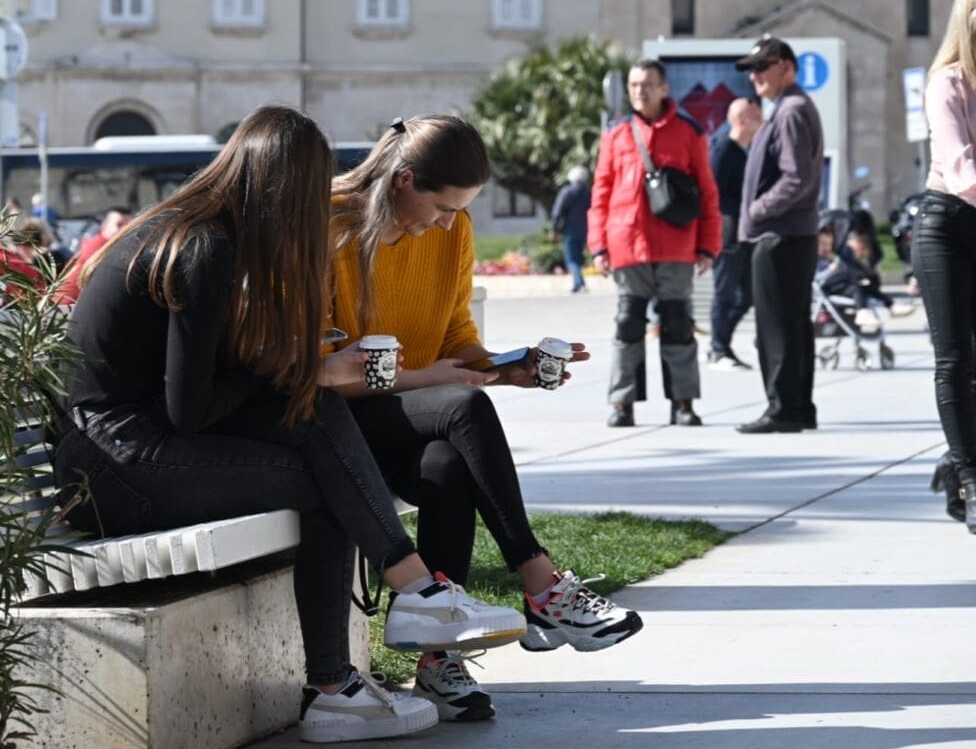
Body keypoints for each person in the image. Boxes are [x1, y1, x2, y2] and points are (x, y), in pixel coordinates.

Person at [52, 106, 528, 743]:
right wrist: (306, 369)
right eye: (308, 195)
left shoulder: (209, 234)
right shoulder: (203, 248)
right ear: (281, 190)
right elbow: (190, 408)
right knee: (320, 468)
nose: (312, 212)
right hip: (113, 467)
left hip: (141, 445)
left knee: (316, 415)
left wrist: (303, 370)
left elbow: (210, 386)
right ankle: (350, 670)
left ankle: (385, 632)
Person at [328, 115, 643, 723]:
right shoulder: (332, 226)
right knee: (465, 405)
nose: (450, 223)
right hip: (336, 422)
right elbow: (321, 370)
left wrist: (505, 368)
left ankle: (440, 656)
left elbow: (454, 337)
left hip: (416, 415)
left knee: (446, 464)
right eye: (443, 207)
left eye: (461, 210)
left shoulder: (451, 231)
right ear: (404, 180)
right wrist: (438, 380)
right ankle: (542, 585)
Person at [589, 58, 723, 428]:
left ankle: (683, 403)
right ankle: (622, 403)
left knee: (678, 325)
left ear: (664, 89)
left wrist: (708, 246)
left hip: (676, 245)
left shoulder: (688, 132)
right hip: (626, 244)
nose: (639, 91)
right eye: (634, 85)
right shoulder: (616, 134)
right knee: (627, 324)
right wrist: (598, 245)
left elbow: (707, 192)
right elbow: (600, 192)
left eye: (647, 84)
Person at [915, 0, 976, 534]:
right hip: (946, 224)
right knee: (956, 357)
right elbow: (962, 170)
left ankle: (953, 456)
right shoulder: (947, 83)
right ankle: (972, 478)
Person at [734, 37, 824, 434]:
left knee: (777, 327)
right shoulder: (789, 107)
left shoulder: (791, 110)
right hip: (789, 233)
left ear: (786, 67)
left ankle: (784, 408)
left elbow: (796, 178)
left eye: (762, 67)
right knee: (791, 323)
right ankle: (797, 407)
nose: (754, 77)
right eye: (751, 70)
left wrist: (757, 210)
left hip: (782, 234)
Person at [707, 98, 763, 370]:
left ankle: (722, 343)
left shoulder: (744, 152)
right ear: (741, 120)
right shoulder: (722, 150)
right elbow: (713, 195)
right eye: (756, 117)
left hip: (745, 234)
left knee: (748, 295)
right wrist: (746, 206)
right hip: (728, 236)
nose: (761, 122)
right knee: (725, 293)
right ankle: (718, 349)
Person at [53, 206, 133, 304]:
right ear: (104, 226)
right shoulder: (100, 249)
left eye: (129, 225)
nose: (125, 229)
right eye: (119, 224)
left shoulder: (103, 245)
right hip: (68, 307)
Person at [550, 166, 591, 292]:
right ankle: (576, 284)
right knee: (579, 257)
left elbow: (558, 211)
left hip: (571, 229)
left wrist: (554, 229)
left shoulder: (567, 192)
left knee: (572, 259)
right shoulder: (588, 192)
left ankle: (580, 283)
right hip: (586, 229)